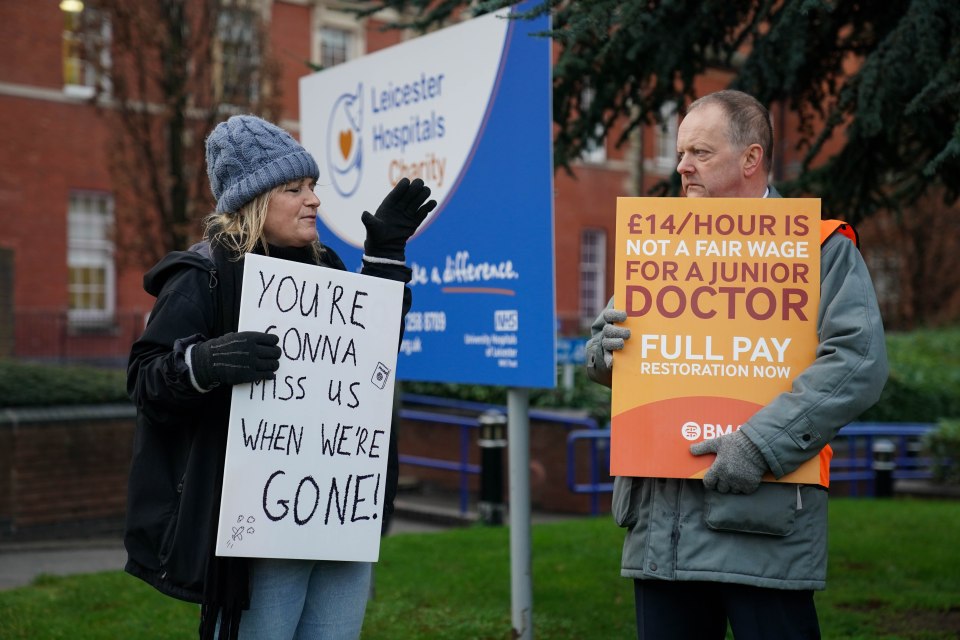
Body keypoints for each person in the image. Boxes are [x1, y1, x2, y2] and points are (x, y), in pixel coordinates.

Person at [586, 90, 888, 640]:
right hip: (661, 532)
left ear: (750, 159)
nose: (681, 166)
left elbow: (858, 360)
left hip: (763, 527)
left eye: (699, 152)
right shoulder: (660, 246)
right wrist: (603, 351)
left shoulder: (819, 247)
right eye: (681, 152)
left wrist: (758, 443)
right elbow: (625, 361)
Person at [124, 114, 435, 640]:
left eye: (313, 185)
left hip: (338, 515)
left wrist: (384, 261)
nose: (313, 199)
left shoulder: (330, 267)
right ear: (252, 202)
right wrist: (204, 363)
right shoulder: (203, 277)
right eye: (294, 188)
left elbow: (369, 358)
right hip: (256, 527)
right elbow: (145, 379)